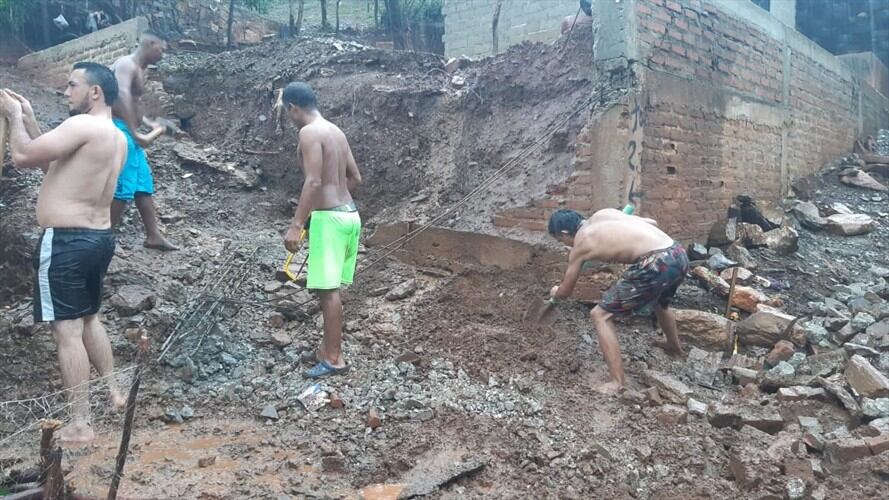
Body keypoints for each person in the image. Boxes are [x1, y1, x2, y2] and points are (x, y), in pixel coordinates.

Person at [0, 62, 129, 444]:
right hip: (98, 239)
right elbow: (52, 166)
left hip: (66, 242)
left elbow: (23, 157)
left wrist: (11, 117)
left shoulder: (81, 126)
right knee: (89, 318)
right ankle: (113, 392)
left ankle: (80, 422)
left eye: (72, 85)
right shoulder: (114, 135)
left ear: (95, 92)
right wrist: (31, 118)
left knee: (67, 332)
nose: (66, 91)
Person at [547, 208, 689, 394]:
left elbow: (566, 292)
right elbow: (652, 222)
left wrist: (555, 292)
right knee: (660, 303)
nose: (564, 244)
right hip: (677, 253)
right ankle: (674, 348)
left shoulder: (581, 245)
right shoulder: (603, 214)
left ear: (565, 233)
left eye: (560, 240)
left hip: (655, 263)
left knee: (599, 315)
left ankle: (617, 382)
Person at [281, 82, 363, 379]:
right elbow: (355, 178)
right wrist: (334, 203)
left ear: (293, 107)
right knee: (330, 289)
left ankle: (333, 359)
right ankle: (326, 348)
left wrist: (297, 224)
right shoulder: (335, 131)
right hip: (349, 215)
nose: (286, 116)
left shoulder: (308, 132)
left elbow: (313, 182)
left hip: (331, 220)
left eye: (285, 110)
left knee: (328, 293)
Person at [110, 30, 178, 251]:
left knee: (142, 184)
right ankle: (104, 238)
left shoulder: (142, 69)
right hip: (120, 130)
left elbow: (136, 104)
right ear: (150, 44)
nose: (163, 55)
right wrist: (135, 133)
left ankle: (153, 236)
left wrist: (149, 125)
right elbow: (120, 96)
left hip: (131, 130)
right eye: (162, 49)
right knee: (124, 187)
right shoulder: (125, 64)